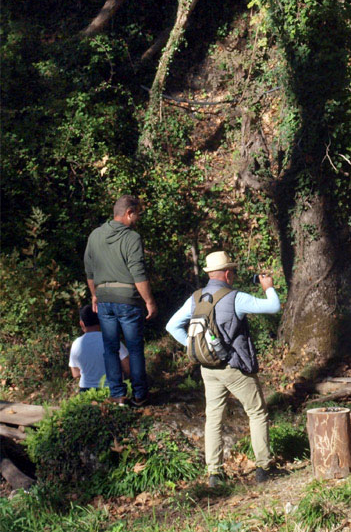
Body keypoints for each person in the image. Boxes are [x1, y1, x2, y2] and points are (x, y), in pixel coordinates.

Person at [166, 251, 280, 487]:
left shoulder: (196, 298)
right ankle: (263, 467)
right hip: (234, 366)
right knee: (257, 412)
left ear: (210, 273)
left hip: (208, 368)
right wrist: (267, 286)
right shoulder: (235, 298)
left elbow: (171, 326)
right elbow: (274, 306)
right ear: (228, 273)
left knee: (214, 418)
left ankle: (215, 473)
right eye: (234, 272)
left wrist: (197, 348)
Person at [84, 195, 157, 406]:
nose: (138, 219)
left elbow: (90, 271)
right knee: (134, 349)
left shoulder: (95, 235)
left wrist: (94, 295)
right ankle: (140, 395)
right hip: (128, 300)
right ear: (129, 213)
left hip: (104, 299)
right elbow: (138, 273)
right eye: (138, 214)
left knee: (110, 348)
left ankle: (117, 394)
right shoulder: (132, 238)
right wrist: (149, 301)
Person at [70, 305, 130, 392]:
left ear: (81, 323)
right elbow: (128, 368)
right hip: (113, 390)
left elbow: (75, 374)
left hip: (87, 391)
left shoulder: (76, 344)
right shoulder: (112, 340)